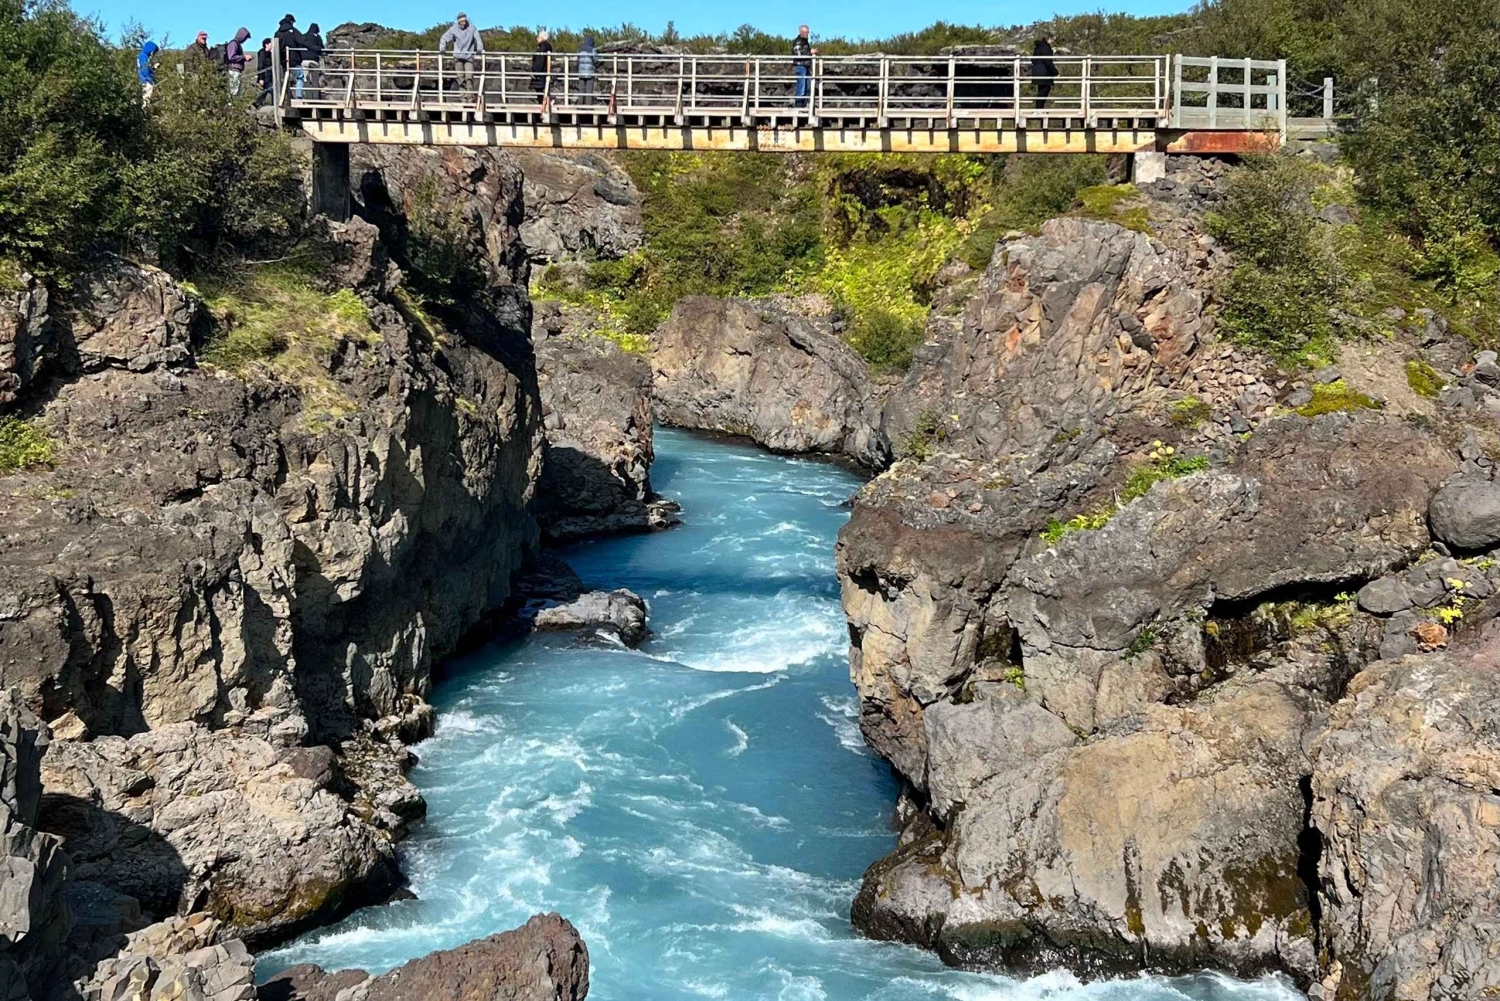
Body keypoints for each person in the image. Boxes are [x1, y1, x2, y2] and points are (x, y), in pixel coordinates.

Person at [438, 12, 484, 94]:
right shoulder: (453, 29)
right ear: (458, 21)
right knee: (460, 78)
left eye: (465, 21)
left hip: (469, 56)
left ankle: (470, 98)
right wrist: (442, 48)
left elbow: (478, 39)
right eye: (462, 21)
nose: (464, 22)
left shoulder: (472, 28)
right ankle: (463, 98)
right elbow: (444, 38)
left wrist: (479, 49)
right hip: (458, 57)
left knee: (469, 77)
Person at [275, 14, 303, 99]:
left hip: (283, 59)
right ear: (291, 21)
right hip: (295, 58)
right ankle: (298, 95)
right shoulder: (293, 31)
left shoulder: (277, 33)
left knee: (285, 78)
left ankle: (286, 96)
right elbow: (301, 40)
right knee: (300, 76)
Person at [791, 25, 816, 109]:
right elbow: (798, 55)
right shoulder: (798, 42)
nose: (807, 34)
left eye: (808, 32)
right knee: (801, 87)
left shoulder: (805, 41)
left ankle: (803, 105)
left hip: (806, 66)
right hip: (801, 66)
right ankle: (798, 106)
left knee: (807, 87)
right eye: (806, 32)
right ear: (801, 32)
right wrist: (810, 52)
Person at [1032, 35, 1057, 110]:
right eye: (1052, 39)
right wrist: (1055, 72)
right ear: (1048, 39)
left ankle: (1039, 108)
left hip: (1037, 72)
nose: (1052, 42)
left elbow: (1033, 59)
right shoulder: (1046, 48)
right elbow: (1048, 61)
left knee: (1041, 90)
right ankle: (1039, 108)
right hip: (1044, 72)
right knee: (1044, 90)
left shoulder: (1038, 47)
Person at [301, 22, 324, 99]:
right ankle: (316, 98)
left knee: (306, 79)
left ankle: (308, 98)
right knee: (314, 80)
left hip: (304, 61)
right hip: (314, 61)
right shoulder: (317, 37)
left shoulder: (304, 36)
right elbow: (321, 48)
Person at [226, 27, 250, 96]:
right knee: (233, 92)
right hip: (233, 71)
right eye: (245, 37)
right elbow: (231, 57)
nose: (245, 40)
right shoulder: (233, 44)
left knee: (238, 93)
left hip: (237, 71)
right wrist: (244, 57)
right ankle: (230, 106)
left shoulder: (237, 44)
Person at [531, 30, 553, 104]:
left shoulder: (542, 48)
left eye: (538, 37)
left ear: (541, 38)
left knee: (539, 89)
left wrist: (535, 71)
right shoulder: (546, 47)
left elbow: (540, 61)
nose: (537, 39)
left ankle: (544, 104)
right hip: (544, 72)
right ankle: (545, 103)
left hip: (540, 73)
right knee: (543, 89)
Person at [577, 35, 597, 105]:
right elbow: (595, 60)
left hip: (581, 72)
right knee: (589, 88)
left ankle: (580, 103)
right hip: (590, 72)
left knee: (581, 88)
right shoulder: (592, 49)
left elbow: (578, 59)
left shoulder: (580, 49)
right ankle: (588, 103)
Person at [255, 37, 274, 105]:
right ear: (266, 44)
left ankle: (256, 104)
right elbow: (260, 66)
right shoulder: (262, 53)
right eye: (270, 44)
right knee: (272, 90)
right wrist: (261, 78)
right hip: (265, 76)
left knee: (265, 92)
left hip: (270, 76)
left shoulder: (271, 54)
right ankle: (274, 105)